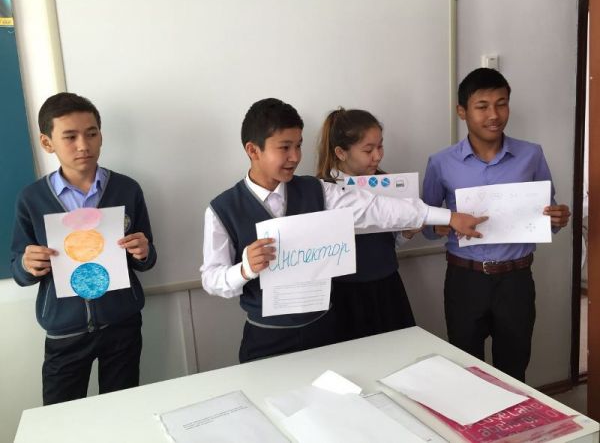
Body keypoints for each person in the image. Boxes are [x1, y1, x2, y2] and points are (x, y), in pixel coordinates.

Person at [201, 97, 486, 363]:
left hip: (325, 332)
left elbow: (377, 210)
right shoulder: (222, 209)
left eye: (299, 146)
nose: (295, 156)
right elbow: (211, 279)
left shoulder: (317, 191)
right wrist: (244, 269)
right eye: (285, 147)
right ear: (253, 150)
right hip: (266, 338)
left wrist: (449, 217)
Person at [422, 68, 571, 381]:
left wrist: (557, 218)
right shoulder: (441, 162)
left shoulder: (531, 155)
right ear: (462, 111)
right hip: (465, 279)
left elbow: (548, 214)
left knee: (514, 369)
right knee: (465, 370)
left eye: (501, 104)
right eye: (482, 106)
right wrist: (442, 225)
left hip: (516, 280)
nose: (494, 115)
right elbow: (425, 223)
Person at [10, 92, 157, 405]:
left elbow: (147, 259)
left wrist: (144, 252)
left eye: (91, 134)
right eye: (70, 137)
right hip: (65, 330)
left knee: (121, 407)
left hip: (122, 324)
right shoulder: (32, 199)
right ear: (47, 143)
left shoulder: (127, 189)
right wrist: (26, 264)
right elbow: (18, 268)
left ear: (101, 135)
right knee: (60, 416)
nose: (83, 145)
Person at [316, 108, 419, 341]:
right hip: (344, 293)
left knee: (399, 351)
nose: (377, 156)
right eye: (368, 150)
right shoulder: (320, 190)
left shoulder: (387, 183)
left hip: (387, 287)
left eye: (380, 146)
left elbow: (388, 243)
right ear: (341, 152)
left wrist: (407, 233)